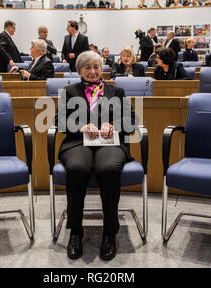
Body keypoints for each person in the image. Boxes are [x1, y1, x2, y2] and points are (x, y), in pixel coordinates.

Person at [54, 50, 138, 261]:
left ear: (102, 69)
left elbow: (131, 121)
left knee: (108, 168)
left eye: (96, 67)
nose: (93, 71)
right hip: (77, 142)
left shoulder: (116, 91)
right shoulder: (69, 91)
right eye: (87, 67)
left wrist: (114, 125)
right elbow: (59, 121)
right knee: (77, 168)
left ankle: (110, 232)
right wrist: (81, 125)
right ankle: (75, 230)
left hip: (109, 142)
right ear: (79, 70)